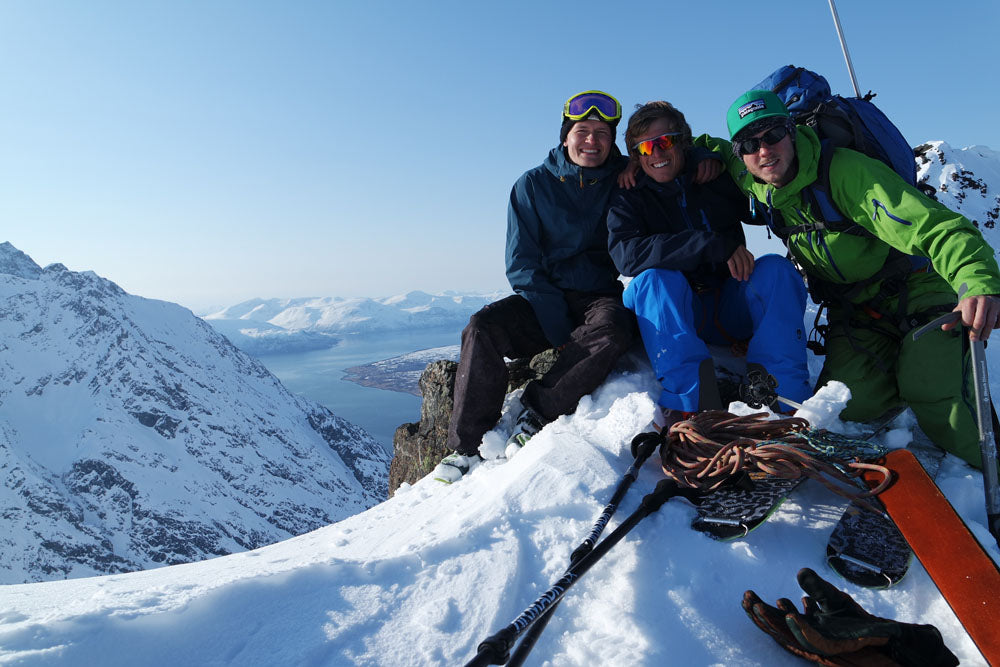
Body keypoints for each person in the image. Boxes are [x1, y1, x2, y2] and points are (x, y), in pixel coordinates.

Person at [706, 89, 1000, 467]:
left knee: (932, 391)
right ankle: (907, 361)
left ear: (791, 132)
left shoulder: (845, 173)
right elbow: (702, 146)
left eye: (772, 134)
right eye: (749, 142)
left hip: (920, 293)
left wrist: (976, 281)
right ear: (740, 155)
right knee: (848, 405)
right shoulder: (756, 182)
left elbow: (933, 227)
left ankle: (988, 465)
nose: (763, 150)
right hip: (860, 314)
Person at [431, 91, 636, 483]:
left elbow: (668, 157)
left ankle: (538, 408)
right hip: (543, 298)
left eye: (602, 133)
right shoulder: (532, 185)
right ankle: (467, 446)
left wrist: (642, 168)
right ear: (565, 136)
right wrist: (559, 328)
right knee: (482, 327)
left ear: (612, 141)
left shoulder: (626, 177)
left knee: (612, 333)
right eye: (583, 131)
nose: (592, 141)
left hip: (598, 297)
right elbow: (521, 264)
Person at [607, 101, 810, 431]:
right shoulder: (629, 195)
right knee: (654, 281)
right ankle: (691, 406)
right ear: (635, 154)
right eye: (645, 146)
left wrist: (712, 159)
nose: (656, 152)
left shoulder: (714, 178)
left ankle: (783, 402)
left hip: (726, 303)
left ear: (684, 142)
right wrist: (709, 243)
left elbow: (761, 192)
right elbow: (626, 256)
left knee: (776, 270)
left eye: (666, 141)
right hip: (674, 314)